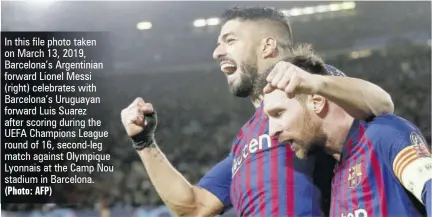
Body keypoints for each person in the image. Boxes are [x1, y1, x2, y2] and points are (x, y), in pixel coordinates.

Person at [121, 7, 394, 217]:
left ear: (267, 46)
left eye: (229, 40)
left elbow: (381, 105)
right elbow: (194, 207)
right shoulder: (244, 140)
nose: (217, 52)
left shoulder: (311, 88)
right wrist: (144, 142)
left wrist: (316, 82)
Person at [262, 45, 431, 217]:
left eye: (278, 113)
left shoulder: (382, 134)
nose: (271, 131)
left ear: (317, 101)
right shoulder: (338, 176)